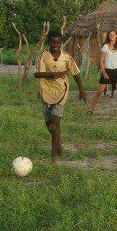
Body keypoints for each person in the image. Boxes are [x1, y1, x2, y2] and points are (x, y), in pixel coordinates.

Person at [34, 31, 87, 164]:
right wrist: (55, 74)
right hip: (46, 93)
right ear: (48, 42)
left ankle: (53, 157)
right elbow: (37, 74)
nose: (55, 45)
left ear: (62, 43)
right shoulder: (43, 55)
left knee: (54, 124)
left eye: (58, 42)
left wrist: (82, 90)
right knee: (50, 125)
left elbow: (75, 73)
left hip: (61, 93)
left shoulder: (67, 57)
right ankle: (59, 142)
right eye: (53, 42)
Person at [88, 30, 117, 118]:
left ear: (116, 36)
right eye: (110, 34)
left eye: (114, 34)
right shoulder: (105, 47)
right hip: (107, 71)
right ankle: (90, 110)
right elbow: (101, 61)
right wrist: (104, 73)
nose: (112, 35)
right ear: (108, 36)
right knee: (99, 92)